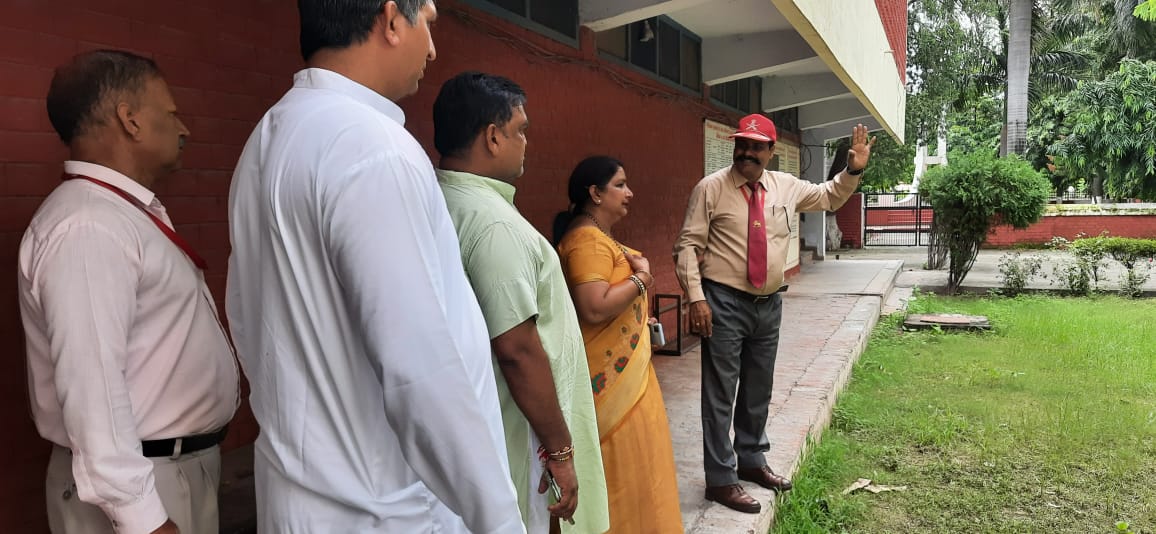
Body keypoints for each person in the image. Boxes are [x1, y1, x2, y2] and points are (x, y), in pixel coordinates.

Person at [226, 2, 524, 533]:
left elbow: (249, 324)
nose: (432, 47)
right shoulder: (373, 148)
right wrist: (500, 522)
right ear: (391, 19)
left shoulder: (268, 138)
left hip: (305, 492)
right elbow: (421, 371)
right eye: (427, 21)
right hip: (385, 509)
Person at [18, 50, 240, 534]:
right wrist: (145, 520)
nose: (184, 130)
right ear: (130, 120)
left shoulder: (115, 216)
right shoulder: (88, 226)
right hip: (139, 490)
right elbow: (92, 391)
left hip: (167, 472)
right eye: (171, 112)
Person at [432, 71, 609, 534]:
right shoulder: (494, 225)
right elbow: (517, 347)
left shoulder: (435, 197)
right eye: (521, 130)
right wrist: (561, 452)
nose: (526, 142)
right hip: (516, 431)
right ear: (492, 137)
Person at [673, 114, 875, 514]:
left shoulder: (786, 186)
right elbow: (686, 247)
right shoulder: (710, 188)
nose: (746, 152)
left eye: (755, 146)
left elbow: (830, 196)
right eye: (741, 144)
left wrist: (853, 168)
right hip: (723, 302)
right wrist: (696, 298)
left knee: (757, 390)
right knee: (720, 395)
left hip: (769, 305)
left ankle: (750, 460)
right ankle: (721, 480)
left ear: (769, 150)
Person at [554, 156, 685, 533]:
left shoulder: (599, 238)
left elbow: (610, 300)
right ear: (594, 193)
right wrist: (643, 278)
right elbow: (594, 307)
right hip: (609, 392)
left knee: (643, 473)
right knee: (623, 476)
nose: (630, 193)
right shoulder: (586, 241)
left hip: (630, 385)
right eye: (620, 185)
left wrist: (637, 312)